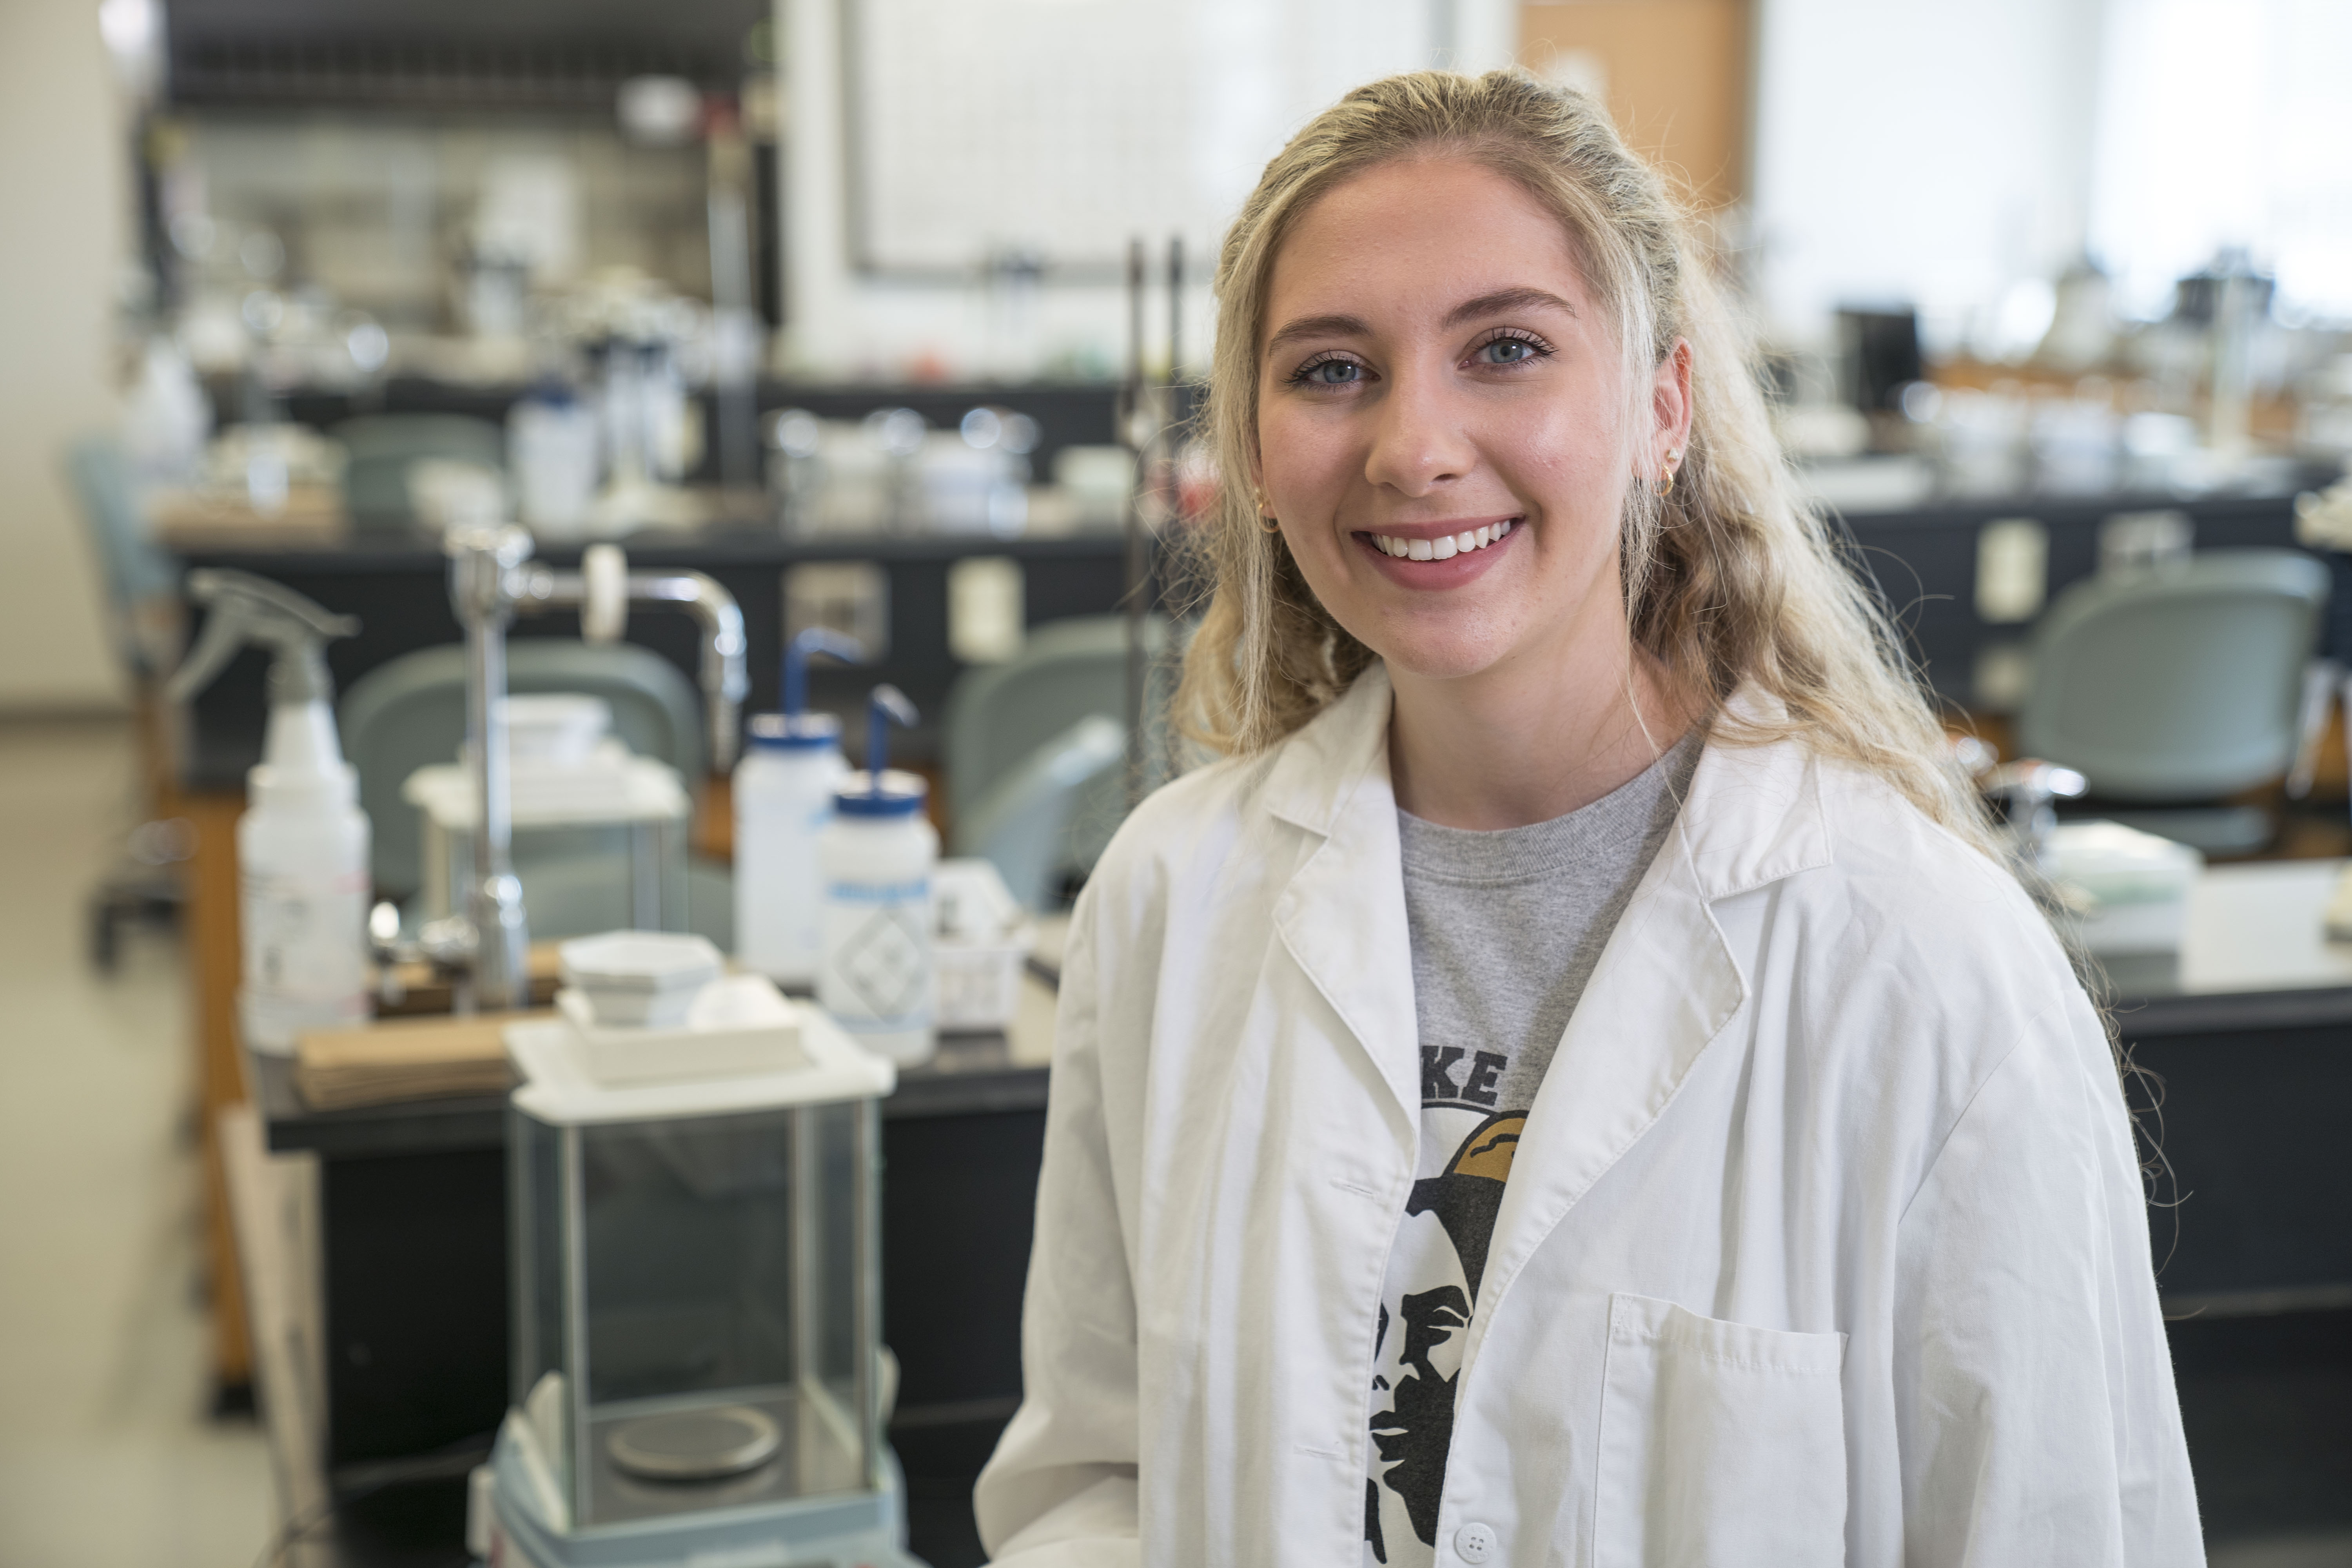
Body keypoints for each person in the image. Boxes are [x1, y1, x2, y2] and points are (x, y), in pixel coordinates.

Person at [974, 68, 2200, 1566]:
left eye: (1505, 349)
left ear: (1660, 409)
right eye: (1329, 369)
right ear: (1247, 448)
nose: (1413, 446)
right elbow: (1092, 1486)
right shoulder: (1171, 898)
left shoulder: (1925, 964)